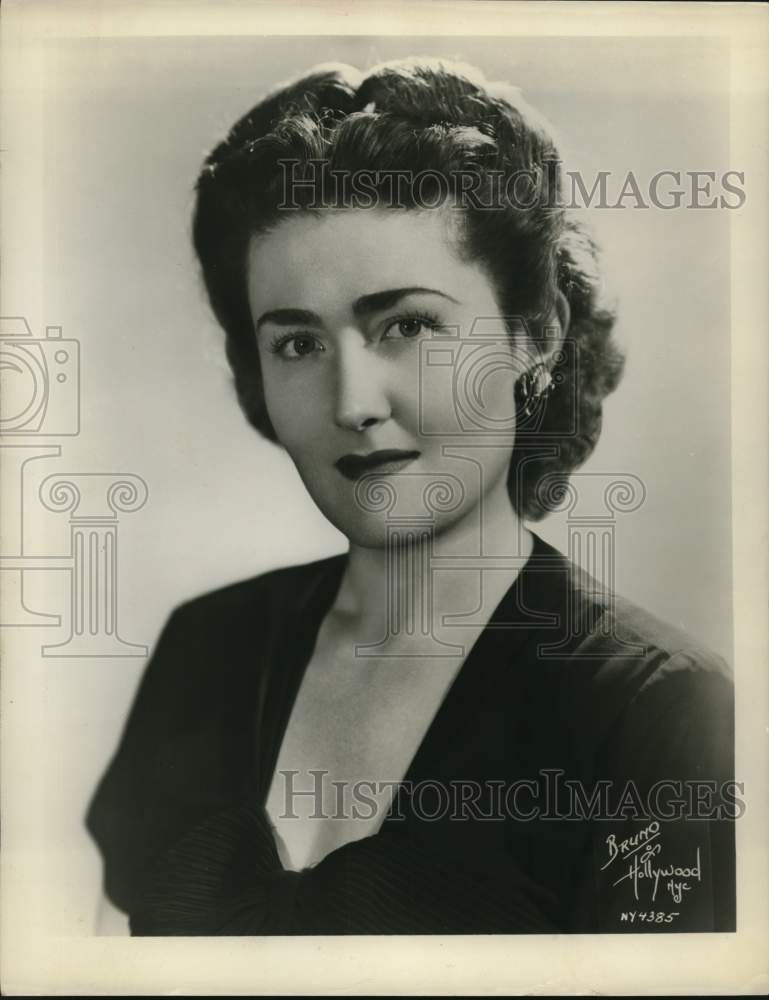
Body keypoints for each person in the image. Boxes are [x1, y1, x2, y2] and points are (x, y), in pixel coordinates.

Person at [86, 58, 735, 934]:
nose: (352, 402)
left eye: (407, 326)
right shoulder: (205, 652)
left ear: (534, 335)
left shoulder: (652, 713)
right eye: (296, 344)